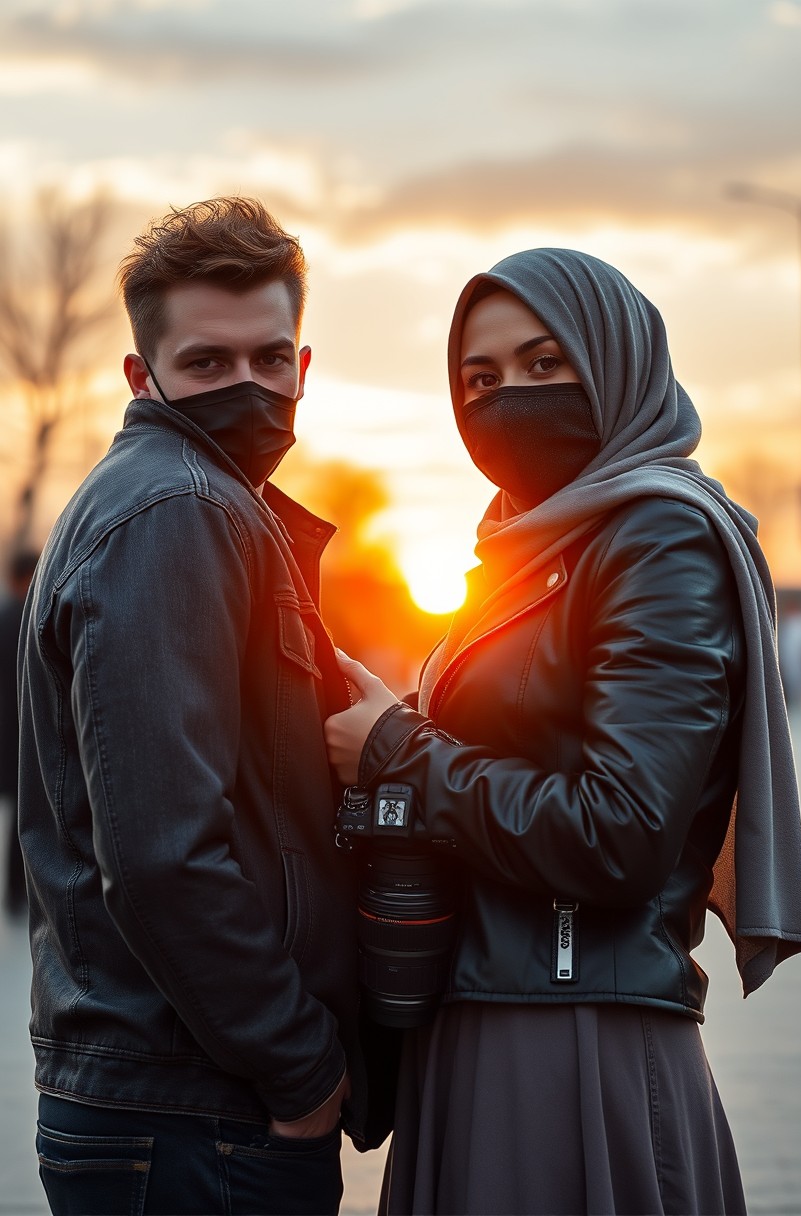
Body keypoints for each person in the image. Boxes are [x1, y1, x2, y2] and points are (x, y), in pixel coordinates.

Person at [325, 248, 801, 1216]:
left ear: (616, 362)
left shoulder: (657, 540)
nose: (508, 398)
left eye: (545, 363)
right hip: (480, 1019)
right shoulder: (518, 552)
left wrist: (397, 748)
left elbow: (619, 830)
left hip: (572, 1034)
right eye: (480, 379)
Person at [17, 197, 373, 1216]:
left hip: (180, 1100)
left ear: (304, 368)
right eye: (207, 364)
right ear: (144, 376)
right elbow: (165, 849)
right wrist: (301, 1068)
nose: (247, 387)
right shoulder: (178, 510)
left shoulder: (197, 500)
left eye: (269, 359)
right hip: (195, 1108)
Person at [0, 548, 39, 916]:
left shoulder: (5, 614)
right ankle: (16, 891)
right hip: (19, 726)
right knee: (24, 812)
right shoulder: (27, 617)